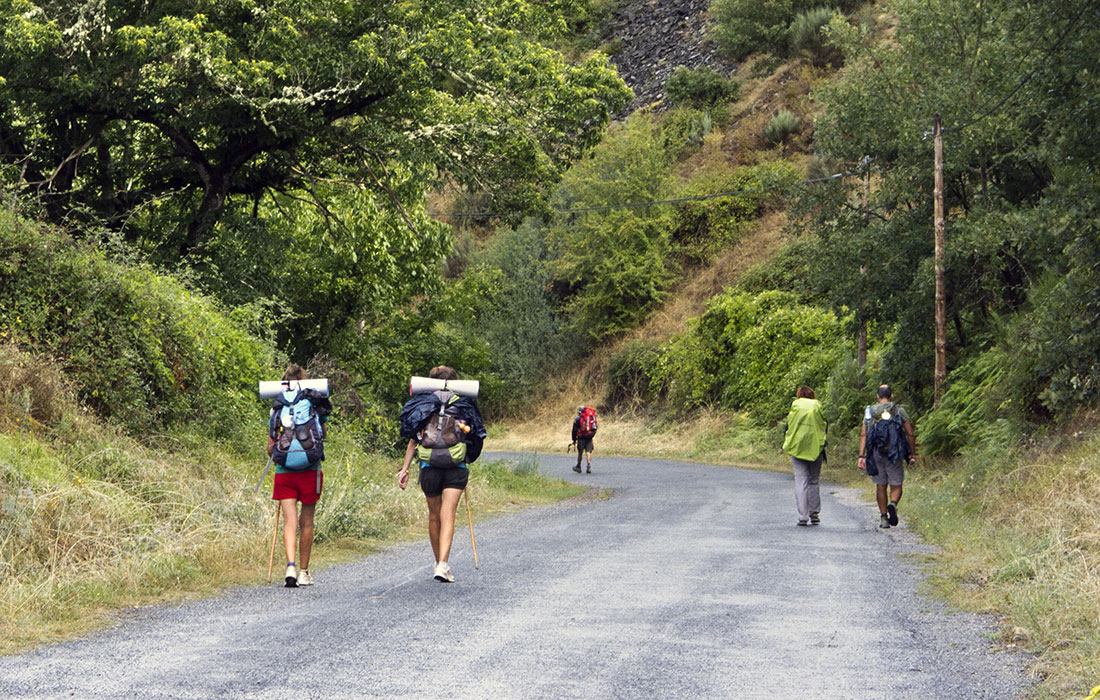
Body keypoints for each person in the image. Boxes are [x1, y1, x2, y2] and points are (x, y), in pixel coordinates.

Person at [398, 365, 486, 583]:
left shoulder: (424, 403)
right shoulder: (463, 404)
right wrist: (468, 456)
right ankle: (443, 565)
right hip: (456, 466)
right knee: (449, 514)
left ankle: (438, 562)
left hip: (429, 466)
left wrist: (405, 469)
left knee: (434, 515)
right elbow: (477, 434)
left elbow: (412, 437)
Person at [269, 363, 331, 587]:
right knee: (307, 522)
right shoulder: (312, 404)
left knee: (289, 521)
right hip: (309, 470)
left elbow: (270, 446)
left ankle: (290, 567)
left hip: (284, 472)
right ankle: (304, 572)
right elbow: (321, 434)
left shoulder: (277, 408)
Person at [858, 384, 917, 529]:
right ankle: (893, 503)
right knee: (896, 484)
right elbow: (910, 433)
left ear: (878, 396)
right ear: (891, 396)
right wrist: (911, 453)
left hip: (876, 452)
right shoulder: (898, 410)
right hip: (894, 452)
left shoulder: (870, 411)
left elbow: (864, 434)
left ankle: (884, 518)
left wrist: (862, 455)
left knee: (880, 485)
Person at [781, 385, 827, 526]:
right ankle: (814, 513)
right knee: (813, 480)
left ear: (799, 395)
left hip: (797, 447)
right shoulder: (817, 405)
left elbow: (789, 425)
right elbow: (823, 424)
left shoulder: (795, 406)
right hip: (815, 447)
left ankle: (803, 516)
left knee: (801, 481)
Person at [571, 405, 597, 473]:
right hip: (589, 437)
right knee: (588, 452)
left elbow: (574, 430)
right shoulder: (591, 417)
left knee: (580, 452)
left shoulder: (577, 419)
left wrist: (574, 440)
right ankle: (588, 465)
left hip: (581, 437)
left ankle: (578, 466)